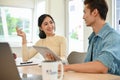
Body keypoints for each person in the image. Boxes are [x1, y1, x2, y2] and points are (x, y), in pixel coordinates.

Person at [64, 0, 120, 75]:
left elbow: (101, 66)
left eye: (85, 12)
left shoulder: (113, 37)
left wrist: (68, 67)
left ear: (95, 12)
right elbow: (89, 65)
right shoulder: (93, 38)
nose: (83, 17)